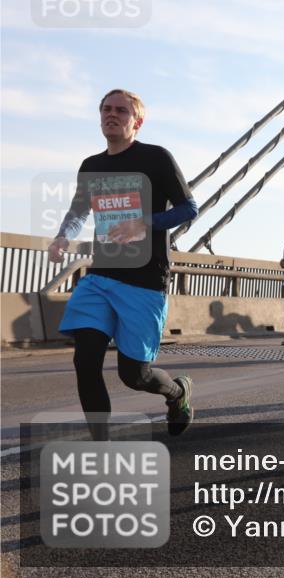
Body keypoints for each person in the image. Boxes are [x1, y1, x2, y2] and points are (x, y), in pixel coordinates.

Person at [49, 88, 198, 440]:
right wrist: (62, 236)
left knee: (134, 375)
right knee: (85, 362)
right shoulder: (92, 166)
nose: (111, 115)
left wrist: (144, 222)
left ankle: (177, 393)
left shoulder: (157, 158)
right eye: (105, 109)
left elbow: (189, 209)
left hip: (145, 280)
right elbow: (78, 210)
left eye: (120, 110)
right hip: (100, 276)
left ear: (137, 122)